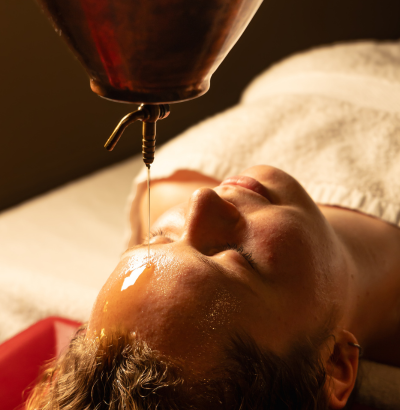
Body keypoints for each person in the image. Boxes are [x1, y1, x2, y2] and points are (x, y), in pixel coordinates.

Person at [26, 41, 400, 410]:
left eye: (158, 238)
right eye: (234, 256)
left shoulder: (170, 184)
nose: (201, 200)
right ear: (334, 364)